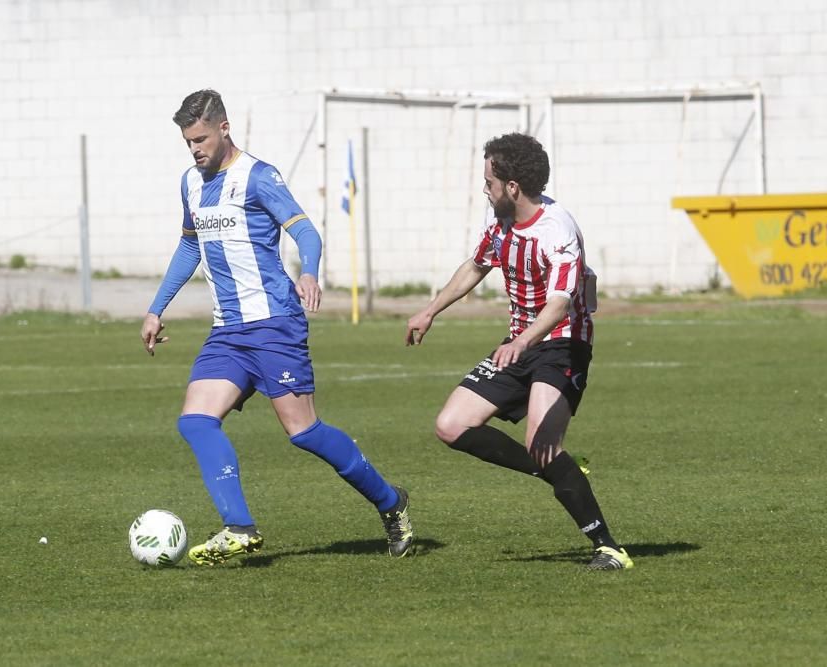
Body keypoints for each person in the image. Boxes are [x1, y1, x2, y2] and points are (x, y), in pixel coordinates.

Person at [141, 89, 413, 565]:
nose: (195, 149)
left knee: (303, 432)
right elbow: (189, 247)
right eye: (188, 142)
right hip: (228, 330)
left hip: (274, 324)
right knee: (195, 421)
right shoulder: (190, 182)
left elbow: (306, 230)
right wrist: (156, 307)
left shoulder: (258, 177)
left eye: (201, 138)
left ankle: (392, 502)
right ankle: (239, 527)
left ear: (224, 128)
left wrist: (308, 269)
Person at [405, 132, 632, 570]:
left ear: (512, 187)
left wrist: (522, 341)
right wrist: (429, 310)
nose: (484, 190)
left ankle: (609, 548)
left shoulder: (557, 229)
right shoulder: (500, 223)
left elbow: (560, 303)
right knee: (451, 425)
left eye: (489, 181)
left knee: (542, 442)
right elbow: (476, 265)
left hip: (562, 344)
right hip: (520, 342)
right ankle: (555, 466)